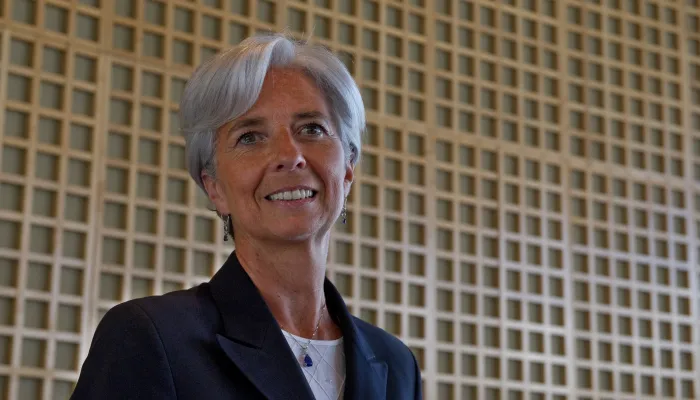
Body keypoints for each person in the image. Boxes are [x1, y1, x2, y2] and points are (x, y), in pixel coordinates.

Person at [70, 32, 422, 400]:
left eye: (311, 129)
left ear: (348, 170)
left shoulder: (396, 365)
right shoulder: (149, 338)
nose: (290, 156)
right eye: (251, 137)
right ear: (214, 188)